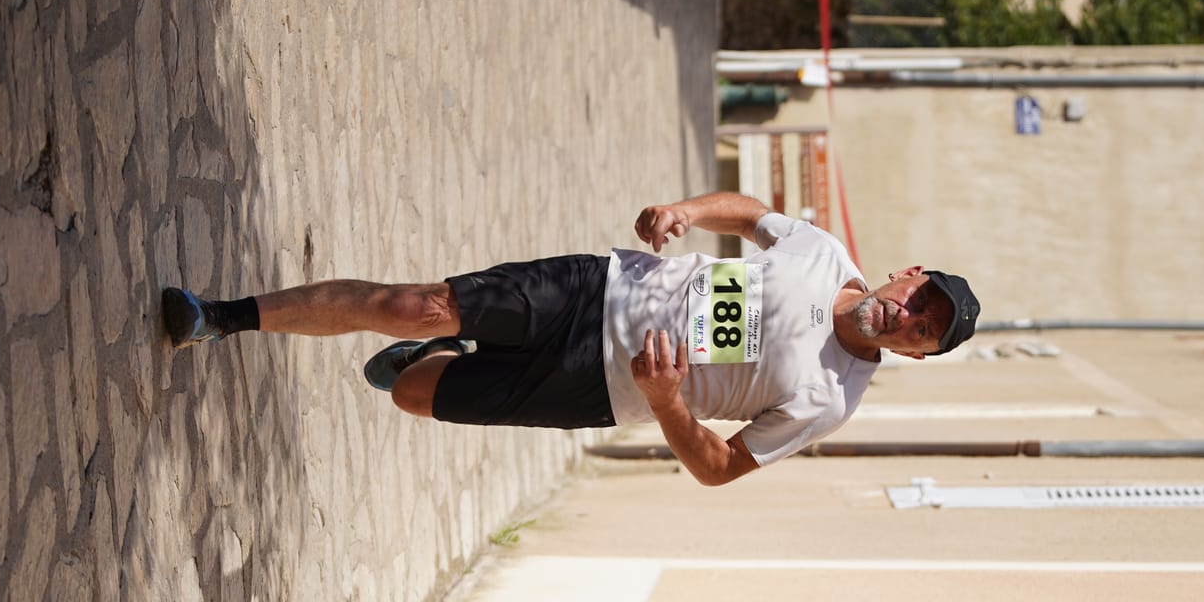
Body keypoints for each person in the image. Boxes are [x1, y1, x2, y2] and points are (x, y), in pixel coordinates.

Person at [161, 192, 979, 485]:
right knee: (411, 302)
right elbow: (750, 214)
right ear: (908, 275)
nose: (909, 318)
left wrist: (667, 403)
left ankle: (436, 360)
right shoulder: (822, 252)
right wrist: (687, 210)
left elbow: (719, 467)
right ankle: (221, 316)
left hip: (597, 387)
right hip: (596, 289)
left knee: (413, 392)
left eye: (923, 333)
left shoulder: (831, 399)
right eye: (921, 301)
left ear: (914, 355)